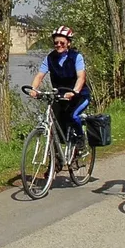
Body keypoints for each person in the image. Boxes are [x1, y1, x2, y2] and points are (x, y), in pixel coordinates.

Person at [30, 26, 90, 156]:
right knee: (54, 127)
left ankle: (81, 140)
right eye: (56, 42)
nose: (58, 45)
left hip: (79, 96)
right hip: (60, 96)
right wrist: (34, 89)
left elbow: (81, 77)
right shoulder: (50, 58)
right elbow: (40, 75)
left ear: (68, 42)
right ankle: (55, 160)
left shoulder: (76, 57)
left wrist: (74, 92)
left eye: (62, 42)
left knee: (74, 116)